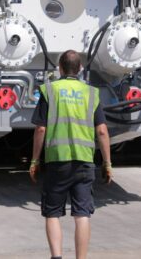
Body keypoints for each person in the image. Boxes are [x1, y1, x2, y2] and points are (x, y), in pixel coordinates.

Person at [29, 50, 113, 259]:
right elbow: (102, 131)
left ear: (60, 68)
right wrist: (108, 163)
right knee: (82, 214)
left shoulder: (50, 90)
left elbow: (41, 129)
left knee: (52, 213)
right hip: (84, 162)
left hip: (58, 161)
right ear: (80, 69)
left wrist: (34, 160)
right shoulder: (91, 93)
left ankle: (56, 257)